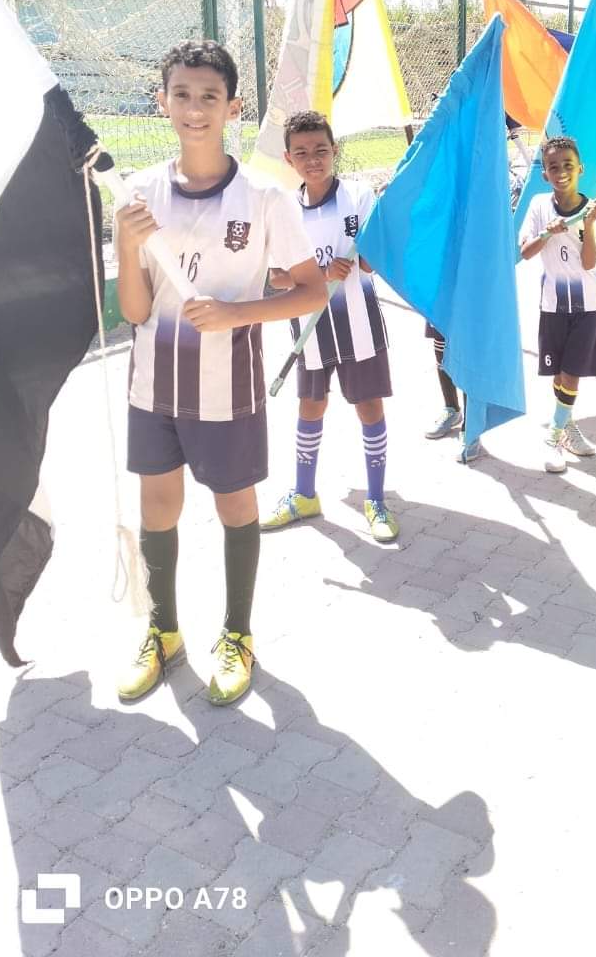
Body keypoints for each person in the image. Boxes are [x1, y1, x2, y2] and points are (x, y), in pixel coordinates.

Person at [114, 41, 326, 706]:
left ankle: (237, 635)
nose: (195, 108)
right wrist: (124, 241)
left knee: (235, 506)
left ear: (233, 108)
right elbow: (135, 311)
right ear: (162, 102)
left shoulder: (264, 198)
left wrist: (237, 313)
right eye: (181, 94)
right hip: (152, 387)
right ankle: (163, 631)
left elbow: (312, 290)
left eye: (209, 96)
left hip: (227, 388)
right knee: (157, 508)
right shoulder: (139, 194)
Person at [260, 111, 400, 543]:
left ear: (335, 150)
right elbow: (277, 278)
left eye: (321, 150)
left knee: (369, 407)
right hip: (310, 330)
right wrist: (320, 274)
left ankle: (376, 500)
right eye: (302, 153)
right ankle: (304, 495)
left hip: (359, 324)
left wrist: (363, 253)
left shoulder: (359, 196)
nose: (313, 159)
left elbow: (373, 263)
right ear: (289, 159)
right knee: (311, 407)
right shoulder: (283, 210)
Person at [519, 137, 596, 473]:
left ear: (580, 168)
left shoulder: (593, 209)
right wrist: (546, 233)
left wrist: (589, 226)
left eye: (568, 165)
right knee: (558, 371)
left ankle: (553, 437)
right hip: (553, 302)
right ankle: (567, 425)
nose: (561, 172)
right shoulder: (539, 205)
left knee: (572, 372)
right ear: (545, 174)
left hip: (588, 303)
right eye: (553, 167)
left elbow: (589, 262)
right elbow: (525, 252)